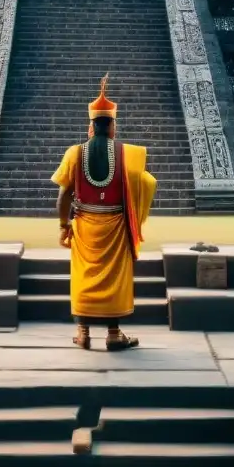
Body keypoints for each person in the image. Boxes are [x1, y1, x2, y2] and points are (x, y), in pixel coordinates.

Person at [52, 74, 156, 351]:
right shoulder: (128, 154)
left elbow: (63, 195)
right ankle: (113, 333)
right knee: (115, 279)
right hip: (117, 226)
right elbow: (148, 182)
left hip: (84, 225)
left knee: (84, 275)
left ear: (91, 127)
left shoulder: (74, 153)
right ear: (112, 126)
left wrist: (64, 225)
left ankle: (83, 333)